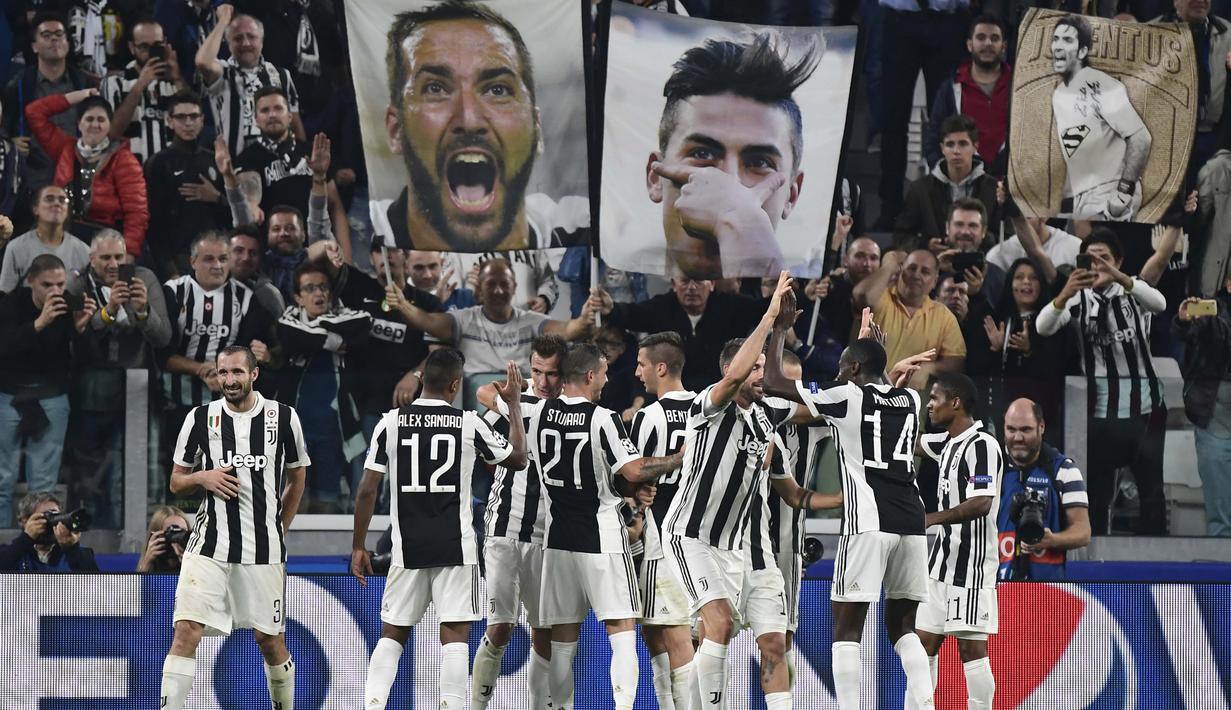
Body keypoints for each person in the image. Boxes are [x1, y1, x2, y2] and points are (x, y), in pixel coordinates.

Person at [762, 305, 938, 710]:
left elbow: (773, 382)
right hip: (911, 522)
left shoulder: (846, 395)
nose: (838, 375)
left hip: (868, 523)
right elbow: (880, 391)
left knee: (846, 629)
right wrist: (870, 350)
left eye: (844, 367)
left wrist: (780, 329)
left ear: (855, 368)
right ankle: (926, 704)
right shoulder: (911, 398)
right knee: (904, 627)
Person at [511, 341, 683, 710]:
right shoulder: (602, 417)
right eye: (604, 374)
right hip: (602, 538)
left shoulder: (539, 413)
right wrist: (676, 459)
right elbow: (634, 468)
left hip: (557, 539)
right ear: (590, 375)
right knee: (621, 632)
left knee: (562, 640)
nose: (606, 381)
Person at [350, 352, 527, 710]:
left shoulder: (391, 422)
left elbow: (367, 489)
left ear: (421, 379)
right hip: (455, 548)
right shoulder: (468, 424)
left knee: (393, 634)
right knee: (455, 639)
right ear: (455, 384)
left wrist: (359, 546)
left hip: (406, 548)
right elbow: (519, 459)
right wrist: (514, 408)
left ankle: (372, 704)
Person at [659, 274, 797, 710]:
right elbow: (739, 372)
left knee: (774, 643)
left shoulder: (765, 419)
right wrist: (769, 314)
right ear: (730, 371)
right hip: (691, 535)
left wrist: (880, 373)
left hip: (737, 550)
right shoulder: (708, 406)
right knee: (715, 622)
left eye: (760, 368)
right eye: (752, 367)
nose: (760, 374)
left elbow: (811, 400)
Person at [157, 345, 310, 710]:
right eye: (222, 373)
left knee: (269, 640)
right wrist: (204, 477)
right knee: (185, 632)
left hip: (264, 549)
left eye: (237, 372)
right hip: (208, 546)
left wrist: (279, 527)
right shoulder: (200, 418)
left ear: (254, 374)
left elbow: (297, 476)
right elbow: (176, 482)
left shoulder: (284, 417)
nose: (229, 380)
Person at [373, 0, 589, 252]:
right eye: (436, 88)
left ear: (537, 129)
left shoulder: (582, 228)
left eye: (497, 90)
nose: (469, 120)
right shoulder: (369, 233)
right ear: (395, 130)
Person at [646, 33, 817, 278]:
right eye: (702, 153)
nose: (728, 187)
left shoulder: (812, 317)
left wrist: (741, 222)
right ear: (655, 177)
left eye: (759, 162)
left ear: (791, 194)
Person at [1036, 229, 1168, 534]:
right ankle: (1095, 555)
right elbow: (1044, 328)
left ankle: (1158, 562)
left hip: (1144, 408)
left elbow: (1159, 304)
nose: (1097, 266)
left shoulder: (1134, 292)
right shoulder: (1077, 299)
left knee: (1151, 489)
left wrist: (1121, 278)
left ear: (1118, 261)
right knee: (1097, 489)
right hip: (1099, 412)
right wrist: (1064, 294)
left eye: (1104, 259)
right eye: (1090, 260)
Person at [470, 334, 567, 710]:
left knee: (545, 631)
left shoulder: (577, 409)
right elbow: (483, 405)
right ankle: (477, 705)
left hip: (549, 534)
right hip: (504, 529)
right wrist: (504, 401)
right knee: (500, 627)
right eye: (537, 372)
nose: (543, 382)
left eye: (552, 374)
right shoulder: (514, 400)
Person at [67, 230, 172, 528]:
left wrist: (142, 312)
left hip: (136, 389)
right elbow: (75, 340)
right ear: (91, 259)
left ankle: (134, 533)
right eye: (105, 258)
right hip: (91, 390)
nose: (114, 264)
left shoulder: (144, 279)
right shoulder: (75, 283)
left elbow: (162, 337)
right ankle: (95, 532)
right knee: (91, 468)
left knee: (133, 467)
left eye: (119, 257)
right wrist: (109, 311)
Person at [916, 372, 1003, 710]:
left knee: (970, 650)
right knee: (922, 646)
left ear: (955, 402)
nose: (929, 405)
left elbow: (982, 502)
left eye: (934, 398)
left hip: (971, 569)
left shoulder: (982, 445)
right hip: (941, 566)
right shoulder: (947, 442)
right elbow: (909, 442)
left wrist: (932, 519)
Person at [0, 254, 97, 528]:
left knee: (43, 483)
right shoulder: (11, 304)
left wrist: (79, 330)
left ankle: (38, 544)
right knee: (1, 478)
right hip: (8, 396)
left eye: (59, 284)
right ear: (30, 281)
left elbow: (83, 361)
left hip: (51, 397)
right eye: (47, 285)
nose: (55, 291)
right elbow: (4, 348)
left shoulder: (67, 306)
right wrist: (39, 324)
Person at [628, 331, 697, 709]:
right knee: (661, 632)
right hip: (704, 537)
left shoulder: (649, 416)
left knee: (671, 636)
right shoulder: (707, 408)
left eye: (641, 365)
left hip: (662, 537)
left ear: (661, 367)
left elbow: (632, 472)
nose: (637, 372)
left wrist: (638, 494)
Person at [274, 263, 372, 512]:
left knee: (327, 499)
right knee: (292, 496)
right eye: (309, 288)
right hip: (296, 427)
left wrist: (316, 333)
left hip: (334, 427)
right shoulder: (289, 319)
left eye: (323, 287)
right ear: (298, 297)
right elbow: (289, 334)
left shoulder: (346, 314)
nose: (318, 293)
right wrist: (334, 340)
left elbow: (364, 322)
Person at [389, 258, 595, 376]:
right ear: (479, 289)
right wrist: (403, 305)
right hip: (477, 401)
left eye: (504, 284)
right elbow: (427, 321)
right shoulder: (463, 319)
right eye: (490, 284)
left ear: (514, 287)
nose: (498, 290)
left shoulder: (530, 321)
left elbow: (567, 330)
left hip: (519, 398)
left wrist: (584, 318)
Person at [25, 87, 150, 257]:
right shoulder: (65, 148)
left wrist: (128, 254)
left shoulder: (124, 160)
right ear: (79, 123)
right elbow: (34, 112)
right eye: (89, 119)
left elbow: (137, 212)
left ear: (109, 124)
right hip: (61, 234)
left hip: (104, 242)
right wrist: (78, 96)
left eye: (101, 119)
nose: (95, 125)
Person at [1051, 14, 1152, 221]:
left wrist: (1123, 193)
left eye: (1068, 40)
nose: (1058, 46)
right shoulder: (1060, 93)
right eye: (1056, 39)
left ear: (1082, 51)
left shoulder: (1101, 85)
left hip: (1108, 193)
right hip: (1083, 197)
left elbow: (1141, 138)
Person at [589, 277, 772, 391]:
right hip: (672, 396)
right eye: (685, 281)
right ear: (674, 285)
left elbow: (762, 309)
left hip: (720, 394)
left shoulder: (730, 306)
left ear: (712, 284)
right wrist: (611, 308)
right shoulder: (662, 307)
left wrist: (791, 292)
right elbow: (633, 314)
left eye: (699, 281)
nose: (692, 287)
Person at [233, 86, 349, 253]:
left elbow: (335, 206)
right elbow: (250, 191)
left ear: (289, 116)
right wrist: (251, 204)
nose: (272, 114)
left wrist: (346, 259)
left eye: (278, 108)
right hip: (275, 255)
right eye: (265, 110)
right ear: (256, 120)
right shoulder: (248, 158)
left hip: (318, 250)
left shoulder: (313, 152)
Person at [2, 12, 97, 199]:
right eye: (46, 35)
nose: (54, 39)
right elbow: (2, 125)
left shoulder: (84, 84)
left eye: (59, 34)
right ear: (34, 46)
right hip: (30, 181)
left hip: (76, 178)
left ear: (68, 44)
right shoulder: (18, 85)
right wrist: (10, 144)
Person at [998, 399, 1091, 580]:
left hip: (1046, 592)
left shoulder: (1065, 470)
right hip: (995, 589)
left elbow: (1083, 532)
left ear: (1041, 427)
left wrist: (1051, 540)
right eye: (1011, 429)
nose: (1018, 437)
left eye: (1026, 430)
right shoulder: (991, 468)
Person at [196, 5, 304, 159]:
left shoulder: (281, 75)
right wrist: (223, 22)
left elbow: (294, 122)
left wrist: (303, 160)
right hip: (236, 168)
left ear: (261, 41)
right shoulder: (223, 72)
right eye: (238, 38)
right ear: (228, 43)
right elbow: (202, 62)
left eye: (251, 37)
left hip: (278, 169)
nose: (245, 43)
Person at [144, 91, 228, 280]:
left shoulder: (215, 159)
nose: (188, 123)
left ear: (202, 119)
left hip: (216, 258)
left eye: (193, 116)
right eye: (181, 117)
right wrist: (169, 270)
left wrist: (216, 198)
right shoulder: (158, 163)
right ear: (169, 121)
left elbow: (233, 216)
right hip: (179, 261)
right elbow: (154, 225)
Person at [854, 249, 966, 390]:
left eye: (925, 272)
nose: (916, 275)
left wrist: (929, 369)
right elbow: (861, 296)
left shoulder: (944, 316)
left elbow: (956, 361)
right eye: (911, 268)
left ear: (935, 281)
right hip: (866, 393)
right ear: (901, 270)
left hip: (910, 404)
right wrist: (890, 265)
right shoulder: (881, 298)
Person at [1172, 286, 1231, 536]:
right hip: (1214, 413)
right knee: (1219, 503)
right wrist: (1184, 320)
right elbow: (1185, 332)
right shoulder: (1212, 308)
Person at [895, 116, 1000, 252]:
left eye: (963, 144)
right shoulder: (920, 189)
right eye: (950, 144)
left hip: (982, 264)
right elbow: (901, 237)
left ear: (975, 147)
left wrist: (979, 240)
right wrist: (926, 245)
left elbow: (1005, 238)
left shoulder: (994, 188)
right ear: (942, 148)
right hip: (934, 266)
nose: (956, 151)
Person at [923, 16, 1012, 176]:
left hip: (1011, 186)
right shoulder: (950, 88)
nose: (988, 44)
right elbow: (933, 138)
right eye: (981, 37)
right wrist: (945, 177)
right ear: (969, 45)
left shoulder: (1020, 88)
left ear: (1004, 46)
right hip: (962, 186)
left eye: (994, 38)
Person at [101, 18, 187, 163]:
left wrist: (178, 78)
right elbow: (111, 133)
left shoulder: (174, 79)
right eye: (144, 47)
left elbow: (193, 124)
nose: (151, 52)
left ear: (165, 43)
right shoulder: (114, 82)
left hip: (172, 170)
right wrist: (140, 85)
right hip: (129, 171)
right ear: (131, 47)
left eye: (157, 45)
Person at [0, 184, 89, 294]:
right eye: (49, 199)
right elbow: (6, 295)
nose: (56, 203)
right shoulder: (16, 248)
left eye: (62, 200)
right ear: (35, 209)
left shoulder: (84, 251)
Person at [0, 491, 99, 572]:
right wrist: (26, 538)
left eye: (56, 516)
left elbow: (95, 587)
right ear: (25, 521)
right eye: (46, 516)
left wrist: (72, 549)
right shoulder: (13, 552)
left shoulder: (81, 554)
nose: (52, 523)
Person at [407, 249, 476, 310]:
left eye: (433, 266)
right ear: (406, 267)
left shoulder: (465, 297)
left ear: (442, 263)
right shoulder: (401, 301)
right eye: (419, 268)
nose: (427, 275)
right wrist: (435, 303)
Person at [137, 505, 193, 573]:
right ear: (155, 537)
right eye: (172, 532)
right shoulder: (151, 562)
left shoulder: (195, 561)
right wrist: (146, 563)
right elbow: (139, 583)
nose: (178, 537)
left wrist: (190, 563)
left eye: (182, 532)